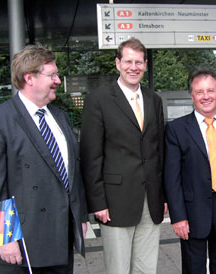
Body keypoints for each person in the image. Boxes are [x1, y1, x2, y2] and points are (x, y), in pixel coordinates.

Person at [0, 44, 88, 273]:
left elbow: (71, 171)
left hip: (60, 237)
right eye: (52, 75)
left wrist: (79, 217)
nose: (58, 80)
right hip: (20, 245)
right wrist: (3, 239)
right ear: (29, 78)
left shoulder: (59, 117)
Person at [80, 38, 165, 274]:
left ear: (145, 65)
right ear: (118, 63)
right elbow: (91, 155)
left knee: (146, 268)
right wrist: (97, 202)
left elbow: (160, 152)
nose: (133, 67)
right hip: (115, 201)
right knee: (118, 269)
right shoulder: (99, 100)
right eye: (128, 61)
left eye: (138, 62)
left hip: (152, 199)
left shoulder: (154, 100)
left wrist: (164, 194)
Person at [164, 67, 216, 274]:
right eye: (199, 92)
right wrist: (178, 217)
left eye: (210, 91)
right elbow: (171, 178)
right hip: (192, 211)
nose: (206, 97)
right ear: (191, 96)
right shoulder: (177, 129)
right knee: (194, 269)